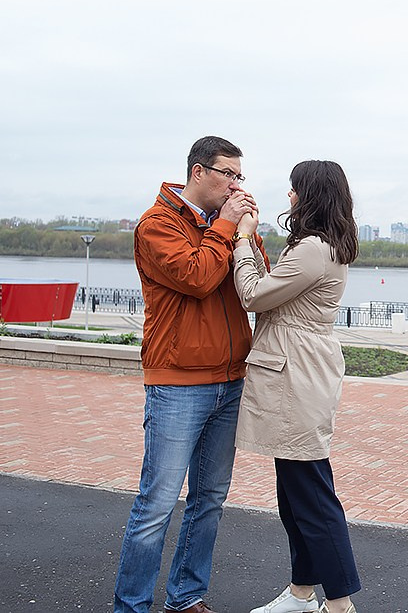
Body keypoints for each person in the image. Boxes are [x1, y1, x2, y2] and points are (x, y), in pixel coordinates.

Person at [114, 136, 268, 613]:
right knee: (157, 503)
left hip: (230, 378)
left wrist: (246, 229)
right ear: (198, 172)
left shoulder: (226, 222)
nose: (235, 183)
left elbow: (255, 277)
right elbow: (198, 277)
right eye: (227, 173)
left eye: (240, 176)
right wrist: (226, 225)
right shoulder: (156, 224)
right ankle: (132, 605)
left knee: (209, 501)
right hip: (178, 381)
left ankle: (186, 596)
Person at [232, 160, 362, 613]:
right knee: (295, 494)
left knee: (311, 496)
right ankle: (302, 594)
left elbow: (252, 295)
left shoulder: (312, 248)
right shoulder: (327, 244)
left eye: (293, 189)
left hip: (296, 376)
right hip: (302, 371)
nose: (288, 196)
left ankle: (341, 605)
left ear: (310, 195)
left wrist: (243, 239)